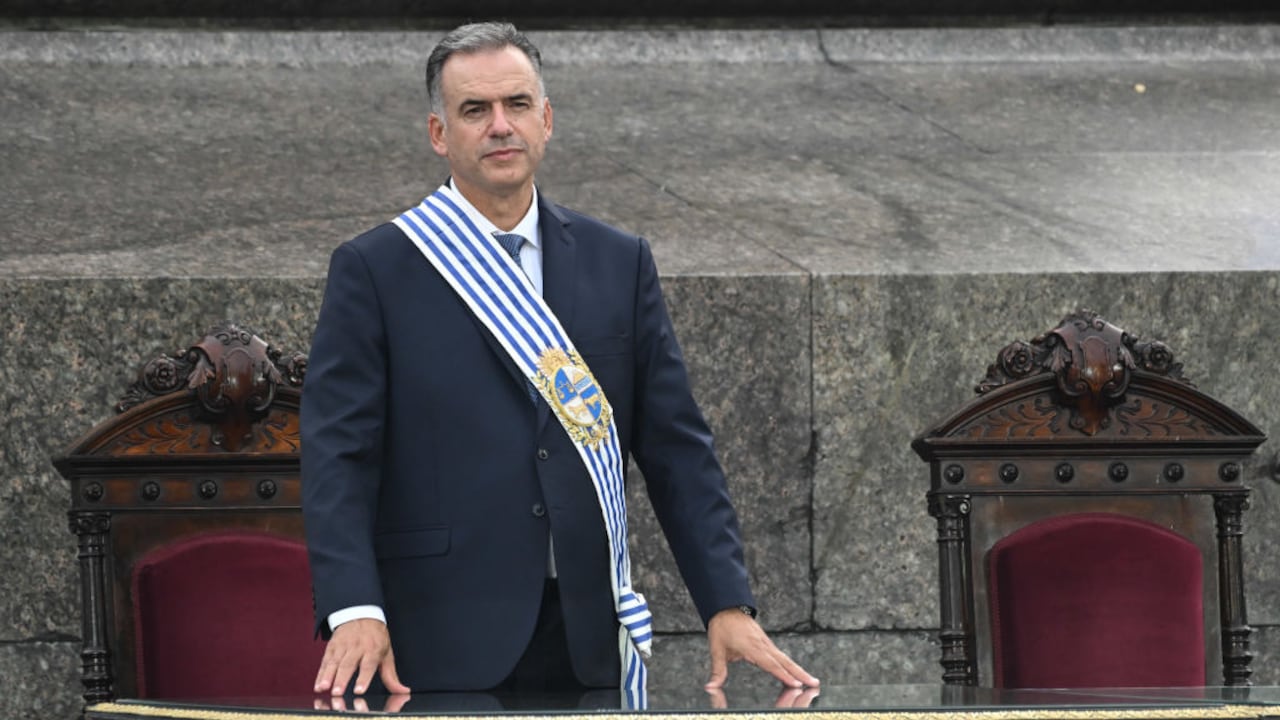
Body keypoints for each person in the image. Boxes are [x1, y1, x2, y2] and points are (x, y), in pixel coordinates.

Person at [301, 21, 818, 701]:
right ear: (439, 134)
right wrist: (353, 608)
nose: (500, 126)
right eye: (475, 110)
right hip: (435, 637)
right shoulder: (376, 269)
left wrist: (727, 603)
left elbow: (676, 447)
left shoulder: (618, 262)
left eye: (517, 104)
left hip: (585, 637)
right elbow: (338, 455)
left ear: (545, 120)